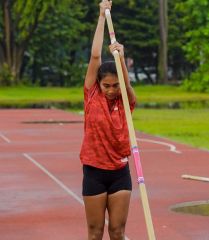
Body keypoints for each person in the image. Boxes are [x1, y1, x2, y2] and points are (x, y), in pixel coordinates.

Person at [79, 1, 136, 239]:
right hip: (94, 171)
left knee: (117, 230)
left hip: (119, 172)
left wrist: (121, 58)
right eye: (107, 86)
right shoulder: (92, 94)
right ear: (98, 85)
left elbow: (127, 86)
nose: (111, 90)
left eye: (115, 86)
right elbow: (95, 56)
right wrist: (102, 16)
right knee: (94, 232)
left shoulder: (125, 103)